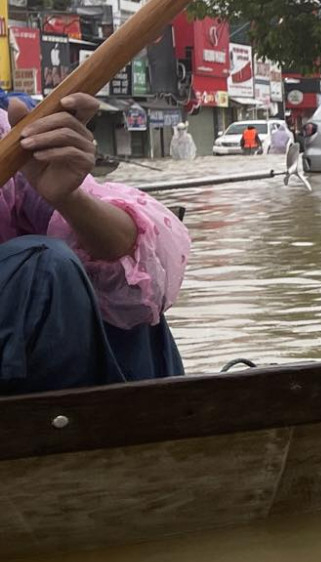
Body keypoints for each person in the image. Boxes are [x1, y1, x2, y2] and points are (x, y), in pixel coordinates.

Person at [0, 95, 190, 396]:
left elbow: (149, 276)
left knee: (113, 289)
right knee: (43, 268)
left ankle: (165, 428)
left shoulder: (7, 135)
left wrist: (70, 200)